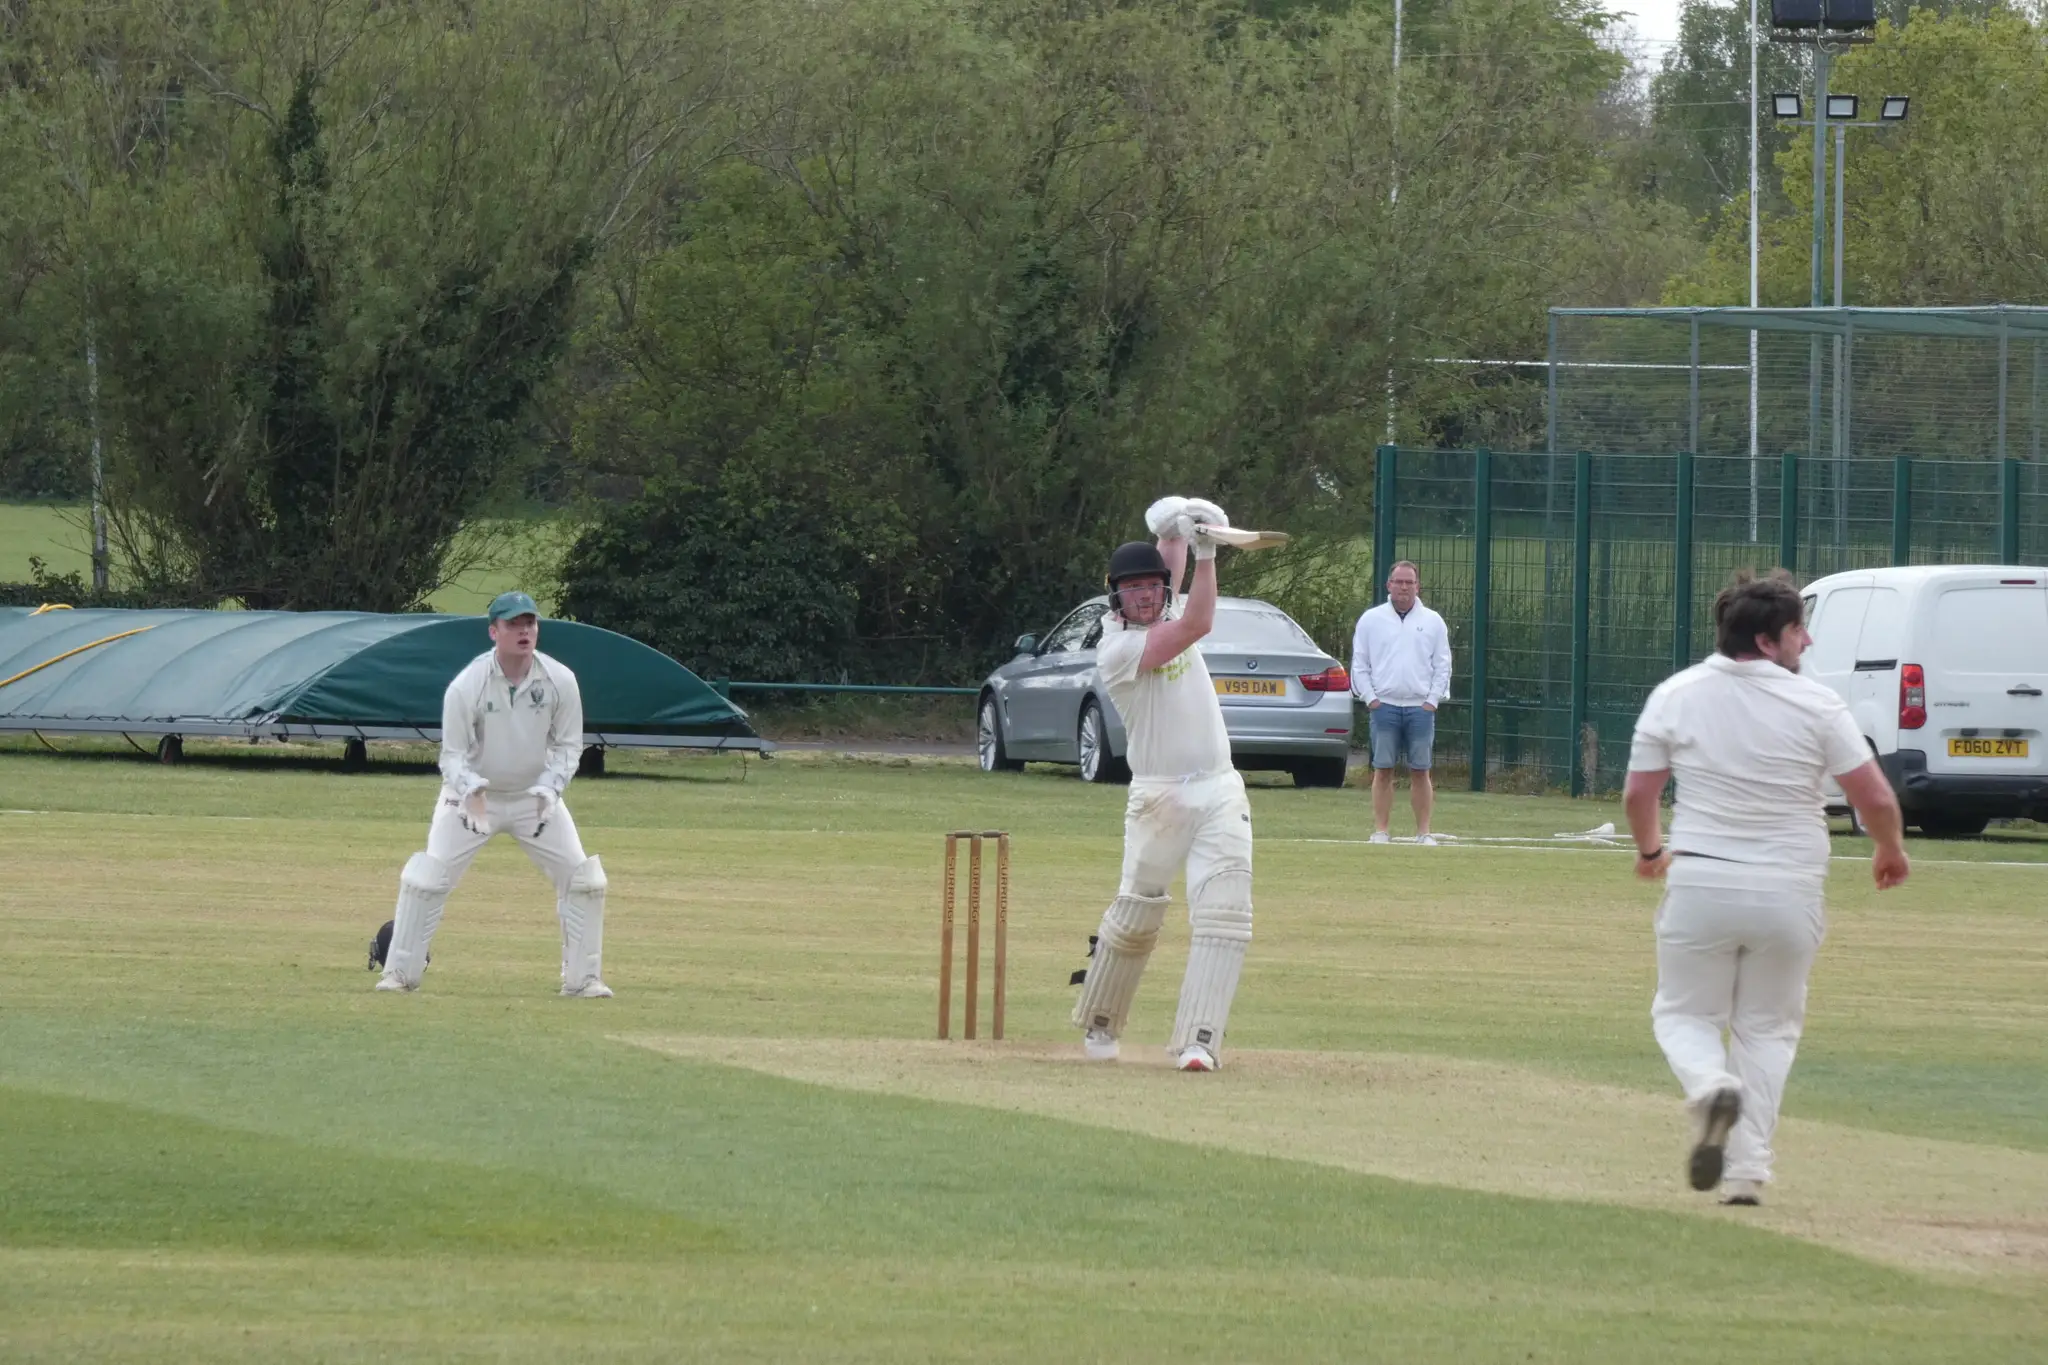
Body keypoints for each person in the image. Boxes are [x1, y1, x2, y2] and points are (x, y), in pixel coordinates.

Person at [1624, 570, 1909, 1205]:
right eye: (1797, 631)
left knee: (1683, 1014)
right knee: (1767, 1031)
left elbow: (1640, 792)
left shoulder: (1678, 692)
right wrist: (1889, 849)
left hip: (1700, 879)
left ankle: (1707, 1089)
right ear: (1765, 639)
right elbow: (1876, 797)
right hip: (1789, 891)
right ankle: (1747, 1173)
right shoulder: (1818, 704)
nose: (1806, 643)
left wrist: (1650, 852)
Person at [1069, 495, 1253, 1072]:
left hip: (1220, 788)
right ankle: (1101, 1021)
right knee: (1137, 916)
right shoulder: (1118, 651)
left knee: (1226, 913)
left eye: (1153, 586)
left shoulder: (1165, 607)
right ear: (1116, 598)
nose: (1147, 596)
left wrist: (1180, 523)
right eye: (1134, 590)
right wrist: (1206, 551)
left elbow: (1166, 554)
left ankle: (1199, 1041)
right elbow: (1200, 620)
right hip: (1159, 799)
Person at [375, 590, 613, 998]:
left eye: (530, 623)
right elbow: (451, 757)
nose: (524, 631)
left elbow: (569, 746)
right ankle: (399, 973)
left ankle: (584, 979)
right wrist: (471, 790)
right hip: (470, 801)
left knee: (584, 880)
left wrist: (550, 788)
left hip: (533, 800)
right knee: (428, 878)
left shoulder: (560, 680)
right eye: (513, 624)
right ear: (494, 632)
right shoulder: (467, 685)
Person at [1349, 560, 1452, 844]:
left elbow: (1443, 664)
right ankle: (1381, 830)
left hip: (1420, 708)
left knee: (1421, 771)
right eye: (1399, 582)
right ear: (1389, 585)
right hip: (1385, 706)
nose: (1404, 587)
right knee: (1383, 770)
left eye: (1409, 582)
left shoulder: (1432, 621)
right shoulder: (1371, 620)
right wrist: (1370, 698)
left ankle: (1423, 832)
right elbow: (1359, 663)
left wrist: (1431, 701)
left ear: (1417, 586)